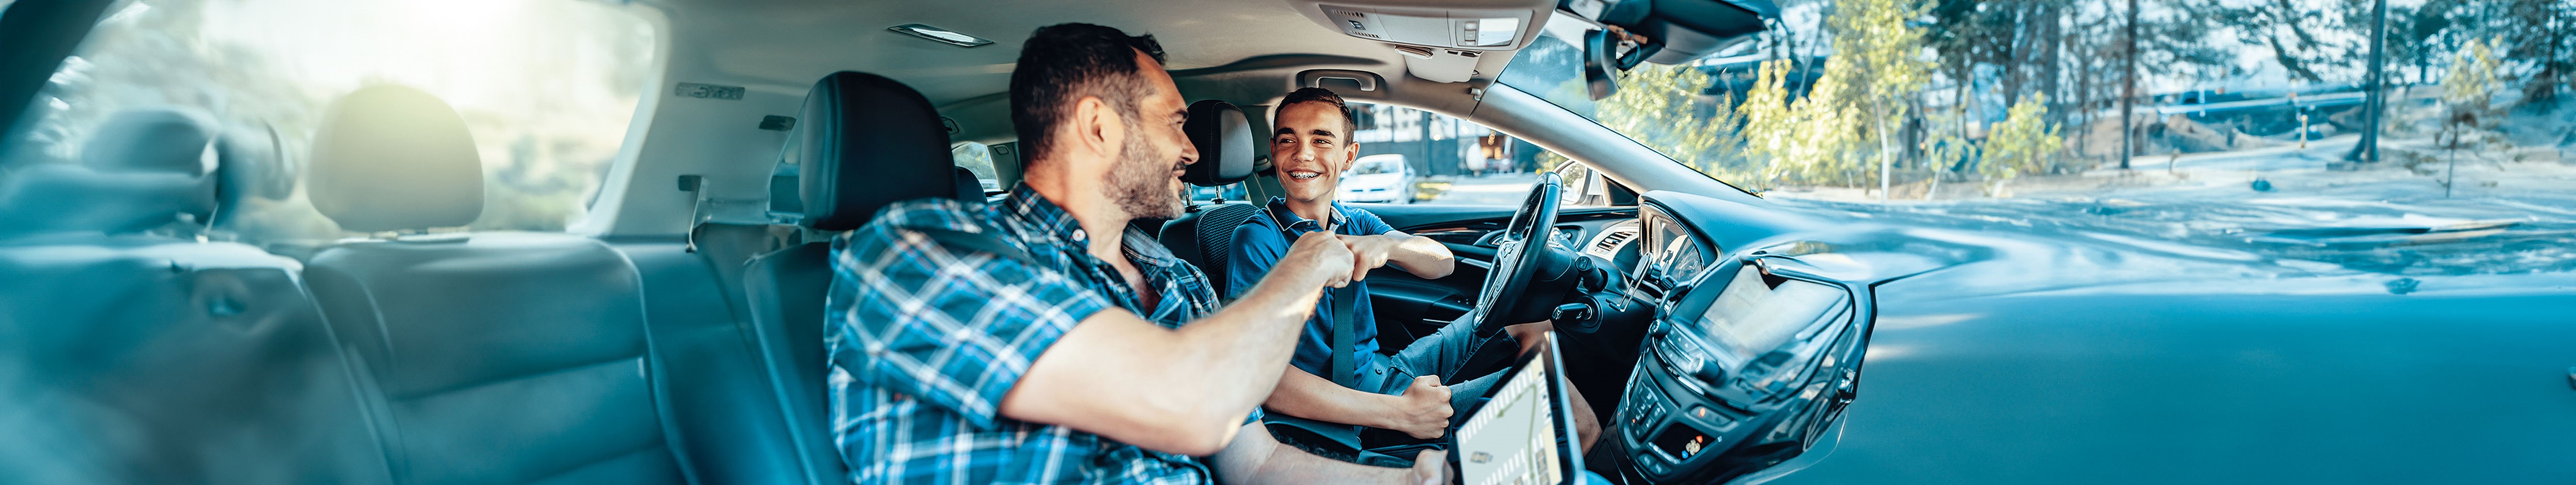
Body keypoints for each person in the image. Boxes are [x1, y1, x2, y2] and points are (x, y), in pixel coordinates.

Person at [827, 24, 1448, 485]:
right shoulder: (920, 252)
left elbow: (1255, 462)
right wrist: (1303, 268)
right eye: (1174, 124)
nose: (1192, 151)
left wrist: (1404, 481)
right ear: (1100, 127)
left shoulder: (1174, 277)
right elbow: (1189, 404)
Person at [1223, 88, 1599, 449]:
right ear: (1273, 152)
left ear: (1350, 155)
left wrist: (1388, 245)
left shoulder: (1352, 220)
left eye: (1321, 140)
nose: (1303, 153)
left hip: (1382, 371)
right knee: (1567, 408)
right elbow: (1260, 378)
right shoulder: (1258, 238)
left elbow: (1442, 262)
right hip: (1346, 412)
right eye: (1288, 140)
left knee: (1531, 327)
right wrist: (1401, 413)